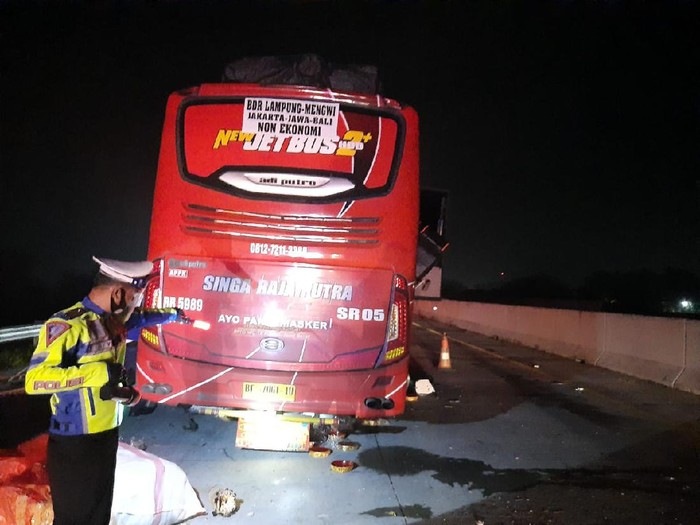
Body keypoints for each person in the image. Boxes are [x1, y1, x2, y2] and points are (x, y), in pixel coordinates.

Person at [25, 256, 187, 525]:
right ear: (118, 293)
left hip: (107, 436)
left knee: (99, 516)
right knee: (74, 519)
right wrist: (99, 372)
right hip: (75, 442)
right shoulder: (68, 326)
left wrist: (173, 315)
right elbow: (35, 379)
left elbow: (144, 319)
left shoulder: (114, 322)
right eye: (134, 297)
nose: (135, 305)